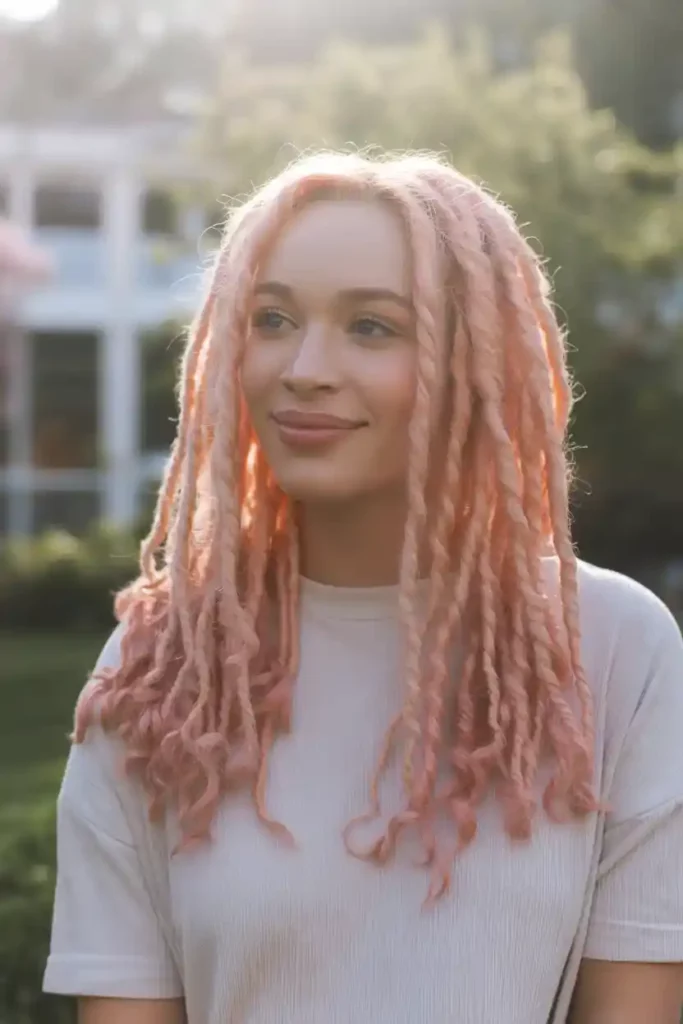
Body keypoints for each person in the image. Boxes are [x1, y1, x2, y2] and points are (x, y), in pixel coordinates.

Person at [43, 152, 683, 1023]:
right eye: (271, 318)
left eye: (372, 327)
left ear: (474, 364)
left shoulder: (613, 650)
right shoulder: (163, 671)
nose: (304, 366)